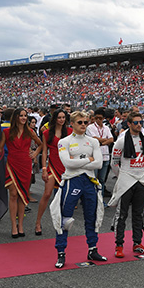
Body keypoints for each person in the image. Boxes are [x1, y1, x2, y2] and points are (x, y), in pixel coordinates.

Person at [49, 111, 106, 268]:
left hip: (89, 182)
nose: (83, 125)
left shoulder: (93, 142)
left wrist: (78, 161)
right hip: (71, 181)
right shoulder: (64, 142)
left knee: (92, 217)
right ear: (72, 124)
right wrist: (88, 159)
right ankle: (61, 253)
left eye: (85, 122)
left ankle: (92, 249)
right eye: (80, 122)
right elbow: (67, 163)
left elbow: (99, 164)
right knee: (65, 219)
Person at [0, 108, 42, 238]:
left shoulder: (30, 131)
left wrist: (35, 153)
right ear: (16, 117)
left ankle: (21, 225)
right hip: (11, 164)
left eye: (25, 116)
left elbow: (41, 144)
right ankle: (13, 225)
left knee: (22, 196)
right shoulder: (7, 132)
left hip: (25, 165)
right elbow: (0, 149)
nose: (24, 118)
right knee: (13, 194)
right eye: (21, 116)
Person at [109, 112, 144, 258]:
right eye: (136, 122)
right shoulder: (121, 141)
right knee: (122, 214)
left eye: (141, 122)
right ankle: (119, 245)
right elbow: (114, 162)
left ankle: (137, 243)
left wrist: (140, 172)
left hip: (140, 179)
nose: (139, 125)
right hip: (126, 180)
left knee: (139, 213)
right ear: (129, 124)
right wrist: (123, 176)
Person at [34, 110, 69, 236]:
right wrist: (44, 168)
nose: (61, 120)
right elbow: (44, 152)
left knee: (64, 198)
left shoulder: (70, 132)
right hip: (52, 166)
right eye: (59, 117)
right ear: (54, 119)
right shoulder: (47, 133)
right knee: (47, 194)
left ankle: (62, 222)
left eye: (63, 117)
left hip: (66, 167)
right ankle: (38, 222)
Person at [87, 108, 114, 197]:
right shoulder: (90, 127)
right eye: (96, 118)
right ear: (94, 118)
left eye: (100, 118)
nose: (98, 120)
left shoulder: (106, 128)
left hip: (105, 156)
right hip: (94, 156)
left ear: (103, 118)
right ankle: (91, 198)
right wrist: (105, 141)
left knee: (102, 180)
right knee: (93, 179)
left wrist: (101, 142)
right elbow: (93, 139)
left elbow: (111, 139)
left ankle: (100, 199)